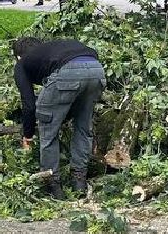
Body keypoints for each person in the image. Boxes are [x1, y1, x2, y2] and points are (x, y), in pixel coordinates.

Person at [12, 37, 106, 197]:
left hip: (68, 72)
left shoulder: (22, 63)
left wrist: (27, 135)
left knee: (48, 131)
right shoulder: (52, 51)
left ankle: (53, 186)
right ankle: (79, 183)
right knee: (83, 127)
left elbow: (29, 104)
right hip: (96, 70)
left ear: (18, 56)